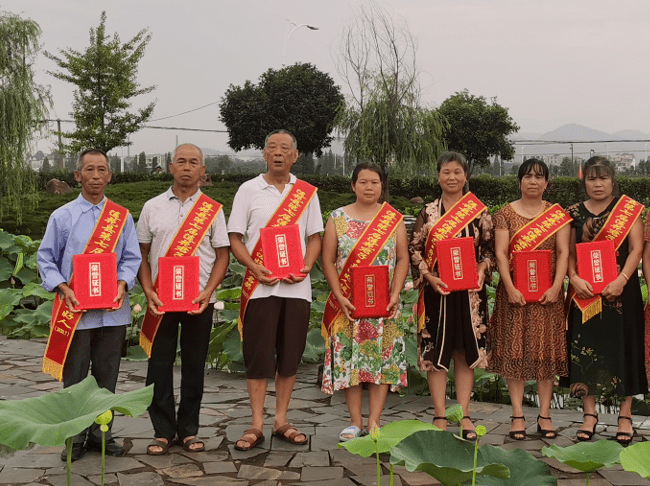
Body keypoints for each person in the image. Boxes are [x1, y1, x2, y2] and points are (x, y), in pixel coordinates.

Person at [38, 148, 142, 461]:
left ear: (110, 175)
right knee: (76, 378)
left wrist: (123, 283)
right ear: (77, 175)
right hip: (76, 314)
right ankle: (75, 437)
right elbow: (45, 257)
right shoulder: (63, 216)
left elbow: (131, 258)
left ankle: (101, 435)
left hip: (112, 314)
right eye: (89, 170)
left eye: (101, 170)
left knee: (107, 377)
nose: (95, 176)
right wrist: (62, 287)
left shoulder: (122, 217)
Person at [228, 129, 323, 451]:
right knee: (257, 357)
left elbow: (315, 238)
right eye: (272, 147)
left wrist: (307, 266)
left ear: (295, 156)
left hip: (297, 289)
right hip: (259, 288)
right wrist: (253, 268)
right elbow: (235, 238)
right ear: (264, 154)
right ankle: (256, 423)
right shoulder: (248, 190)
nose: (278, 153)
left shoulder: (307, 193)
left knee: (290, 357)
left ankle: (281, 419)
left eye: (285, 148)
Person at [137, 143, 229, 455]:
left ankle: (188, 430)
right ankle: (162, 431)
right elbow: (142, 253)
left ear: (203, 171)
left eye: (194, 162)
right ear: (171, 167)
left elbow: (222, 256)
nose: (187, 167)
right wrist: (148, 290)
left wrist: (208, 292)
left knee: (193, 364)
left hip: (197, 302)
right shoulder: (152, 207)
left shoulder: (213, 210)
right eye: (181, 162)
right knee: (158, 364)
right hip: (161, 300)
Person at [320, 162, 409, 441]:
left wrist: (395, 294)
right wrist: (339, 295)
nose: (369, 187)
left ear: (382, 186)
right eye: (363, 182)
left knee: (382, 361)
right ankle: (355, 421)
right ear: (353, 185)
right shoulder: (337, 218)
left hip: (385, 306)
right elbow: (328, 260)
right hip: (349, 305)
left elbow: (403, 258)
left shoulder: (393, 218)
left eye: (375, 182)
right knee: (350, 362)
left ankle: (374, 421)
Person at [409, 151, 494, 440]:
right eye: (446, 172)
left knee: (463, 351)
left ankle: (465, 414)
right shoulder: (427, 213)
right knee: (435, 351)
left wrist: (483, 267)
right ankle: (440, 414)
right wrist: (429, 277)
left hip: (470, 294)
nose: (452, 177)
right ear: (438, 176)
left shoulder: (480, 211)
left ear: (466, 175)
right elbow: (415, 250)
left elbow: (489, 250)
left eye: (457, 172)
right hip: (437, 292)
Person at [565, 156, 647, 444]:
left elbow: (636, 248)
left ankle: (625, 416)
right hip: (584, 294)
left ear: (613, 180)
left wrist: (622, 280)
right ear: (584, 181)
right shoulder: (573, 213)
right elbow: (568, 254)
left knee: (624, 348)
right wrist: (573, 278)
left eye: (603, 178)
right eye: (591, 178)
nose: (597, 184)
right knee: (584, 351)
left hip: (621, 292)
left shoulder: (629, 210)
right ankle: (589, 415)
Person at [487, 159, 570, 440]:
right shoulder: (504, 214)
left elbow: (563, 253)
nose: (533, 181)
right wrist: (509, 287)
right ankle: (518, 414)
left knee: (547, 353)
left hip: (549, 296)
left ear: (547, 183)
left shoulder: (558, 215)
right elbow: (500, 254)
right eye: (527, 176)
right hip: (515, 296)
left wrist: (558, 286)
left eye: (539, 177)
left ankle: (545, 415)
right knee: (515, 353)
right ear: (519, 181)